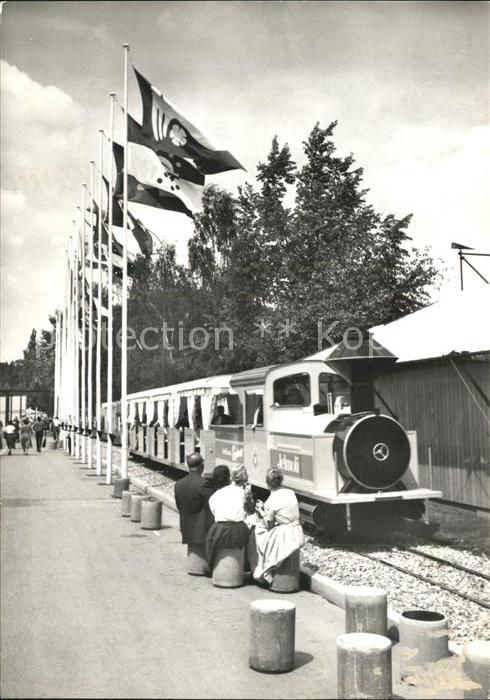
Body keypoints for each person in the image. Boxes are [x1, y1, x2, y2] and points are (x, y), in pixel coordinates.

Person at [253, 467, 305, 587]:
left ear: (267, 483)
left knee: (259, 532)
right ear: (281, 480)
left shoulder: (271, 501)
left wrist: (262, 512)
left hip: (285, 534)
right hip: (297, 531)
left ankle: (263, 569)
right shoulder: (290, 492)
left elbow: (269, 526)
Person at [205, 464, 250, 571]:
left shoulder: (216, 494)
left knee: (209, 540)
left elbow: (214, 512)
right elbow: (249, 511)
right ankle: (246, 566)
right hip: (239, 530)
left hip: (219, 530)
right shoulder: (243, 493)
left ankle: (213, 567)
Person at [174, 452, 214, 552]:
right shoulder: (204, 484)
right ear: (201, 466)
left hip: (186, 528)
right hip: (201, 532)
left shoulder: (178, 484)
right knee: (202, 563)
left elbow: (180, 506)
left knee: (193, 557)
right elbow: (212, 507)